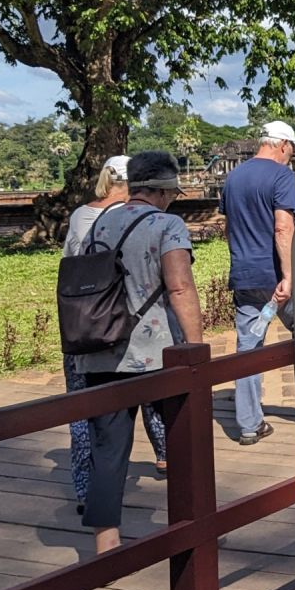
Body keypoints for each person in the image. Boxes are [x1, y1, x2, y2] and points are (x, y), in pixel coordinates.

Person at [77, 152, 202, 554]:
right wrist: (196, 347)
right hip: (157, 351)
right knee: (185, 439)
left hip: (102, 348)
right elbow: (180, 286)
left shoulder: (99, 222)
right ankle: (191, 524)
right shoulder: (167, 225)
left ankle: (105, 542)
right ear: (162, 191)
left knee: (107, 447)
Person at [63, 154, 168, 511]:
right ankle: (166, 455)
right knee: (155, 399)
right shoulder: (148, 219)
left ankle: (89, 491)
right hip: (136, 326)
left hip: (87, 323)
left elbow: (72, 266)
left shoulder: (83, 217)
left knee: (87, 413)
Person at [218, 119, 295, 445]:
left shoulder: (233, 177)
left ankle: (250, 425)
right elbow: (283, 228)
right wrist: (289, 276)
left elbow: (229, 229)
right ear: (282, 144)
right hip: (276, 277)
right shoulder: (281, 175)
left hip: (245, 276)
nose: (291, 156)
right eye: (292, 150)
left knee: (248, 349)